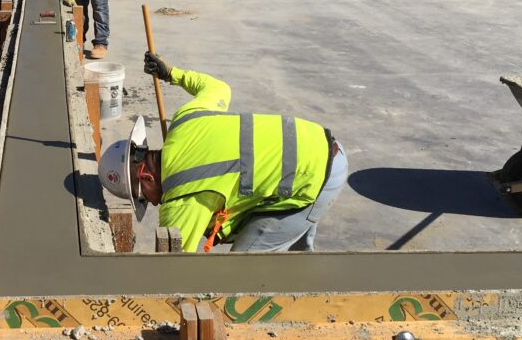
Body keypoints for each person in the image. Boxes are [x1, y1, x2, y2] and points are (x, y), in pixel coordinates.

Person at [97, 52, 348, 252]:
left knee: (241, 272)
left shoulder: (182, 200)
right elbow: (218, 88)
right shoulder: (185, 121)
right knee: (287, 246)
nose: (152, 203)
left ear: (146, 177)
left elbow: (171, 268)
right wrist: (172, 73)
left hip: (312, 179)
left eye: (143, 197)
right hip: (317, 142)